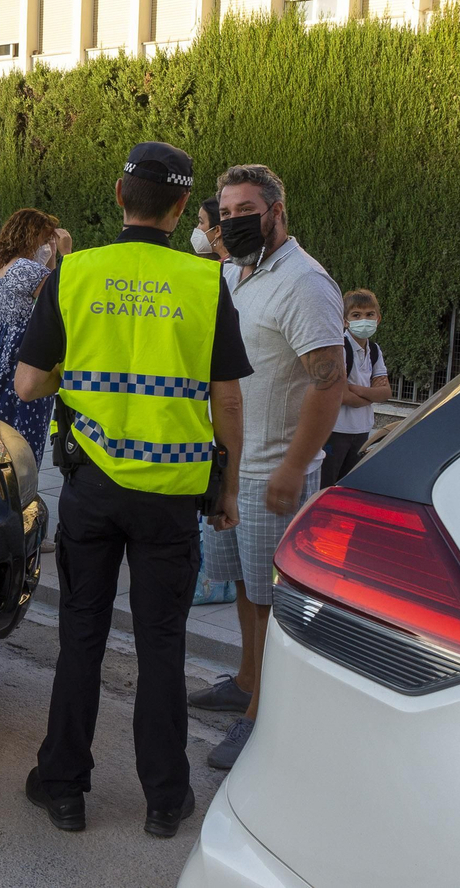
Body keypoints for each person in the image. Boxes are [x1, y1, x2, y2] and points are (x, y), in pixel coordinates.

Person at [15, 142, 252, 839]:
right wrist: (228, 489)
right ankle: (164, 799)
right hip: (172, 499)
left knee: (81, 639)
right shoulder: (206, 283)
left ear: (120, 197)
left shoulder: (77, 271)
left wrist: (80, 377)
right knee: (161, 647)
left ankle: (62, 788)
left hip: (91, 489)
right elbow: (229, 402)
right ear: (183, 211)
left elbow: (29, 382)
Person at [188, 164, 346, 772]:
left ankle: (263, 714)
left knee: (273, 601)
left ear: (278, 212)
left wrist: (294, 468)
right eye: (225, 213)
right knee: (245, 590)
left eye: (245, 211)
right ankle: (247, 679)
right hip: (230, 469)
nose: (232, 223)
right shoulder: (235, 272)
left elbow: (327, 385)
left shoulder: (305, 283)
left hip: (271, 475)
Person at [0, 208, 73, 468]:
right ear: (30, 236)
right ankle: (23, 479)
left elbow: (47, 286)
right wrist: (66, 254)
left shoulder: (0, 266)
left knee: (1, 418)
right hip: (26, 349)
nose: (47, 245)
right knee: (25, 425)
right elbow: (61, 296)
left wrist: (51, 257)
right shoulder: (26, 269)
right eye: (45, 239)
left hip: (2, 349)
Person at [322, 288, 390, 488]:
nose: (364, 320)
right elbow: (341, 396)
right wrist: (371, 394)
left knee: (349, 487)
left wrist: (356, 389)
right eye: (356, 315)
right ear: (345, 320)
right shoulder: (339, 348)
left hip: (362, 431)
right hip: (336, 431)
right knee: (326, 487)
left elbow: (386, 393)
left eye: (369, 314)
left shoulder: (375, 351)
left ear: (378, 318)